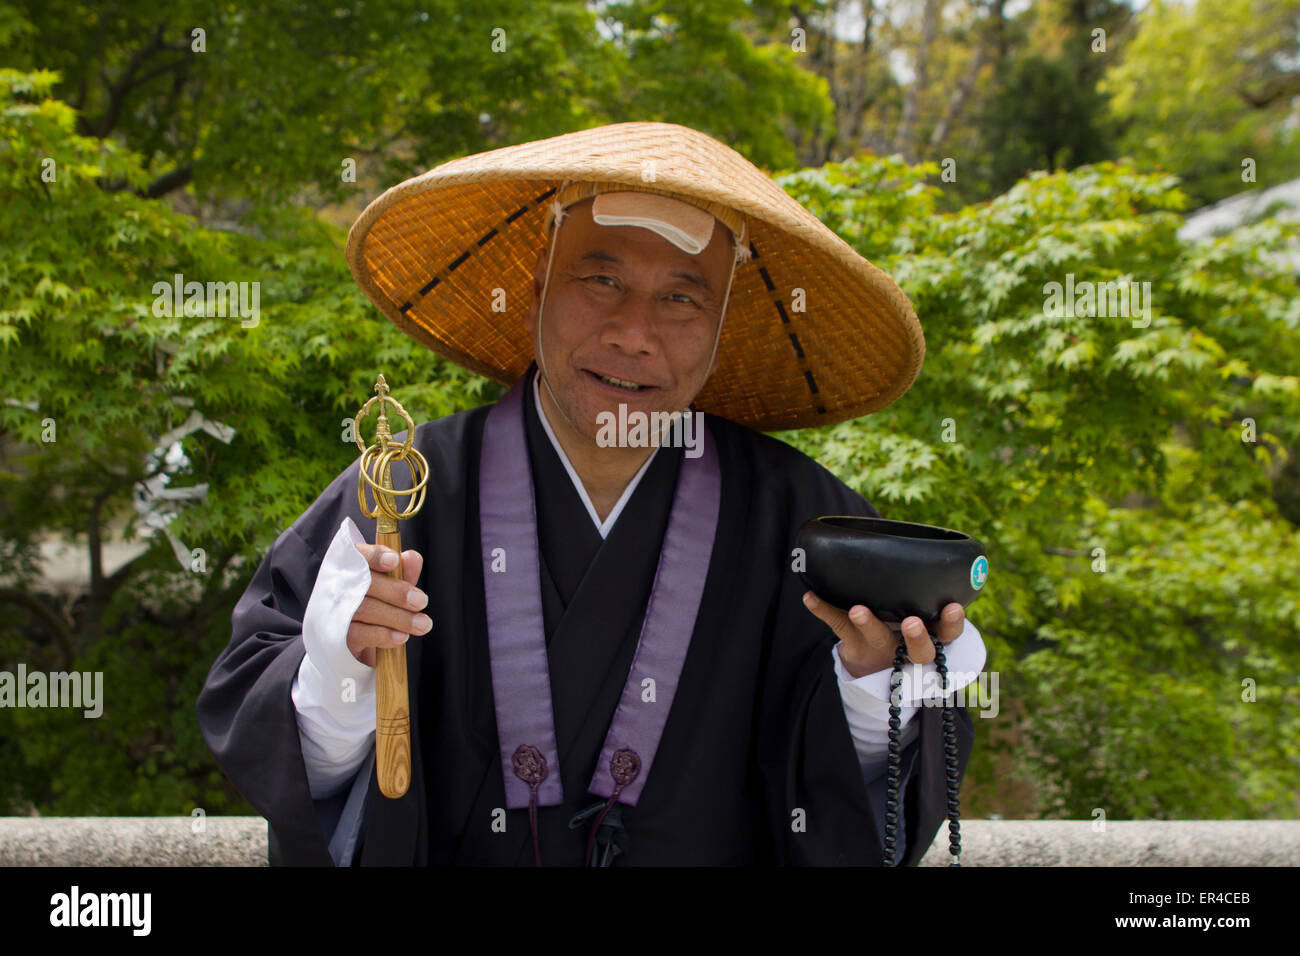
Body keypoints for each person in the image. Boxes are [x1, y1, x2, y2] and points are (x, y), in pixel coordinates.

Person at [197, 122, 987, 866]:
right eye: (599, 278)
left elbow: (860, 810)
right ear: (538, 285)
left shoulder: (801, 521)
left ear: (721, 328)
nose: (633, 331)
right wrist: (343, 673)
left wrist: (873, 688)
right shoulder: (402, 494)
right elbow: (268, 729)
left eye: (681, 298)